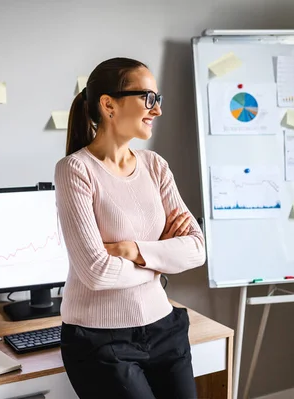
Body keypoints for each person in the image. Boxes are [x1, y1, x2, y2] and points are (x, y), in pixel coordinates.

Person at [53, 57, 206, 399]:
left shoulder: (155, 165)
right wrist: (160, 262)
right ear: (108, 104)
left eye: (158, 99)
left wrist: (133, 251)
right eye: (148, 98)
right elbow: (95, 272)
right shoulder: (75, 170)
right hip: (100, 341)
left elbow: (196, 249)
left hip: (164, 327)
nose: (157, 110)